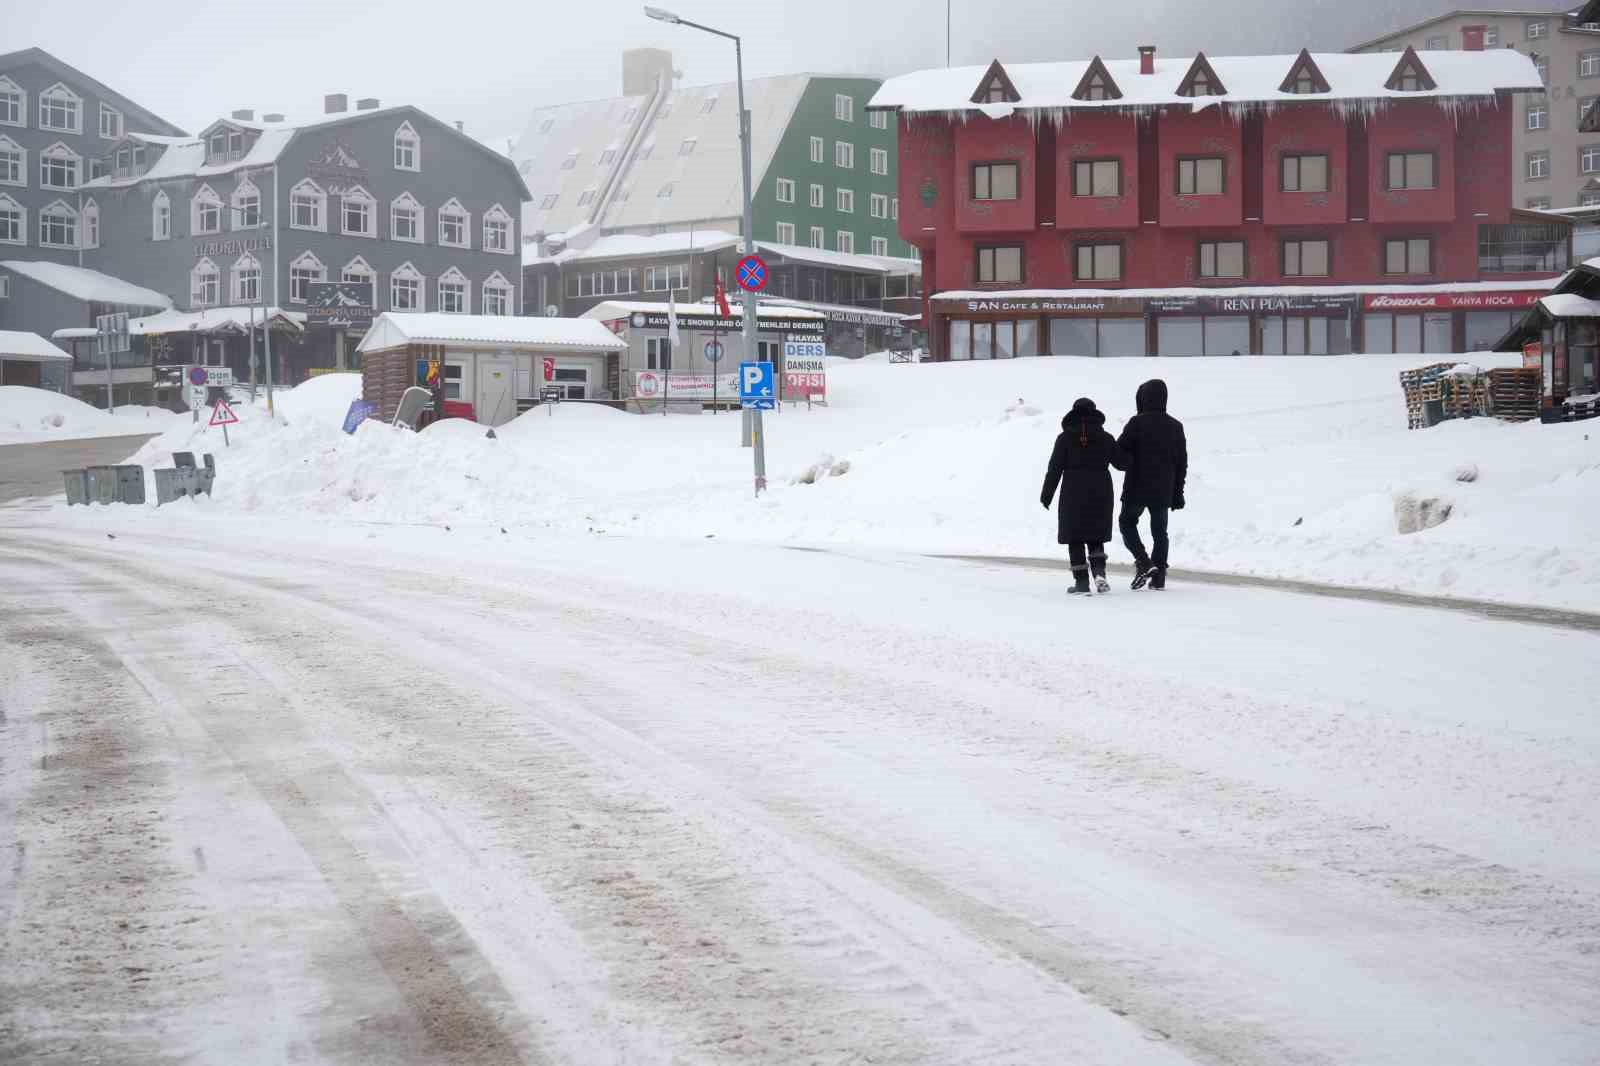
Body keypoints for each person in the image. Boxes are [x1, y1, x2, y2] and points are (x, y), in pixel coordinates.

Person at [1041, 397, 1126, 595]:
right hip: (1101, 489)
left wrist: (1047, 495)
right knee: (1095, 534)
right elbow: (1122, 463)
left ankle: (1081, 583)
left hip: (1073, 491)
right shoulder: (1106, 438)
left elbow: (1054, 468)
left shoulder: (1064, 439)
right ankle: (1099, 571)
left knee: (1075, 536)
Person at [1117, 379, 1188, 590]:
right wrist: (1177, 492)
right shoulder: (1176, 426)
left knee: (1126, 523)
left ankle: (1144, 562)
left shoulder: (1136, 423)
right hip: (1163, 489)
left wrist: (1127, 462)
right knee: (1160, 532)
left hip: (1136, 486)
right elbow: (1181, 463)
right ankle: (1159, 577)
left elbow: (1120, 452)